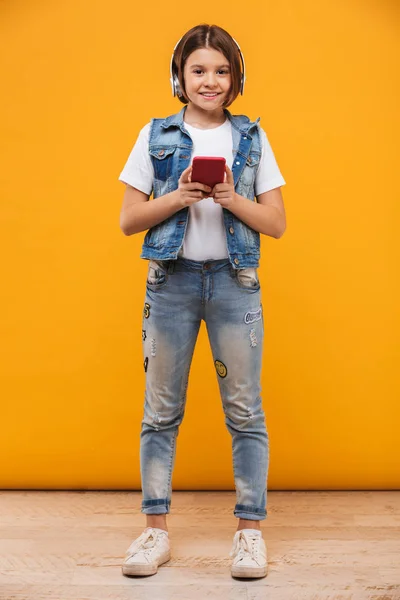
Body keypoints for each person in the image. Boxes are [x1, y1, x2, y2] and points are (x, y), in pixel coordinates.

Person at [117, 23, 286, 579]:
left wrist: (232, 199)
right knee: (160, 410)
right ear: (180, 76)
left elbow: (277, 224)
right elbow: (127, 220)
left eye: (221, 70)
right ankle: (154, 533)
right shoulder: (155, 135)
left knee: (245, 410)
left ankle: (249, 534)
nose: (209, 80)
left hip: (235, 284)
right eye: (198, 70)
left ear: (235, 78)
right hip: (172, 283)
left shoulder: (253, 139)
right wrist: (177, 197)